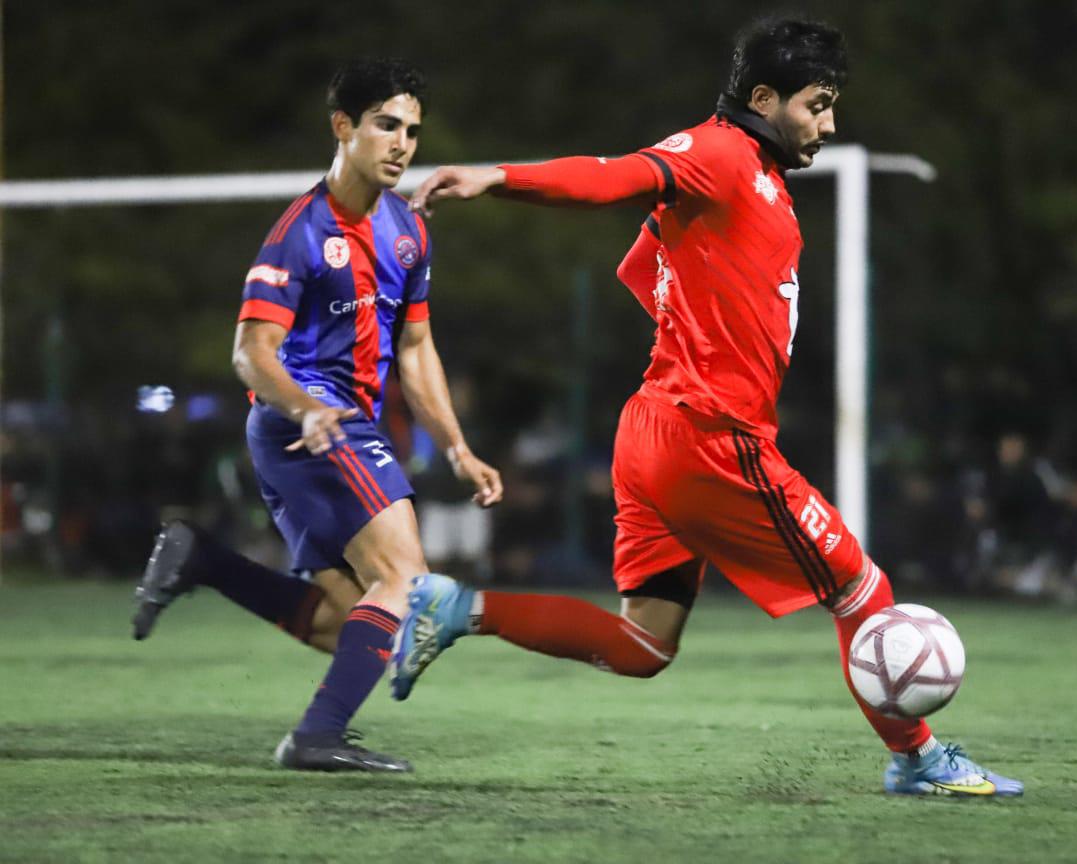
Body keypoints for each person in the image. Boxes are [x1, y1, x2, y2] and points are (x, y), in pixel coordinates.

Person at [391, 17, 1022, 797]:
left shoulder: (756, 179)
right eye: (816, 105)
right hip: (709, 437)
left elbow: (644, 273)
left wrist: (705, 322)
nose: (828, 124)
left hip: (653, 428)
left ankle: (460, 608)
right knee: (863, 591)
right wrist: (499, 177)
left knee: (643, 644)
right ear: (764, 97)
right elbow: (613, 176)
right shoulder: (720, 153)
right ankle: (919, 760)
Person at [131, 58, 503, 773]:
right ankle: (314, 738)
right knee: (406, 582)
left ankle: (202, 558)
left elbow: (417, 347)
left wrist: (455, 445)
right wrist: (305, 407)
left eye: (412, 131)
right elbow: (250, 353)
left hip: (332, 428)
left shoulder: (408, 232)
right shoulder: (299, 234)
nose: (401, 143)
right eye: (385, 125)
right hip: (304, 425)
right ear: (343, 127)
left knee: (348, 625)